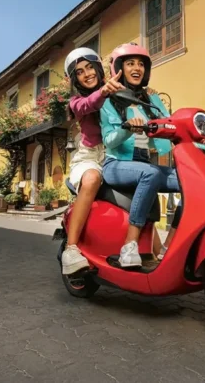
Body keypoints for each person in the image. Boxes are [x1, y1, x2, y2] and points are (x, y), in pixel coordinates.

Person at [99, 43, 182, 267]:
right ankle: (129, 245)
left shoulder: (153, 100)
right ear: (119, 68)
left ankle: (169, 248)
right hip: (117, 165)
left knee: (192, 181)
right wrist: (127, 128)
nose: (137, 68)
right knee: (151, 173)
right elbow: (108, 141)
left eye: (141, 64)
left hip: (145, 163)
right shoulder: (108, 102)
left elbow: (171, 123)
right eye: (130, 63)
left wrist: (201, 133)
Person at [60, 47, 125, 275]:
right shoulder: (76, 102)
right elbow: (89, 105)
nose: (87, 74)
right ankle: (71, 249)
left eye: (89, 67)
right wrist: (105, 91)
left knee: (140, 191)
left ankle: (153, 254)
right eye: (79, 72)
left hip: (115, 155)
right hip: (89, 158)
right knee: (91, 178)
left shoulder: (118, 92)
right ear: (75, 79)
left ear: (98, 68)